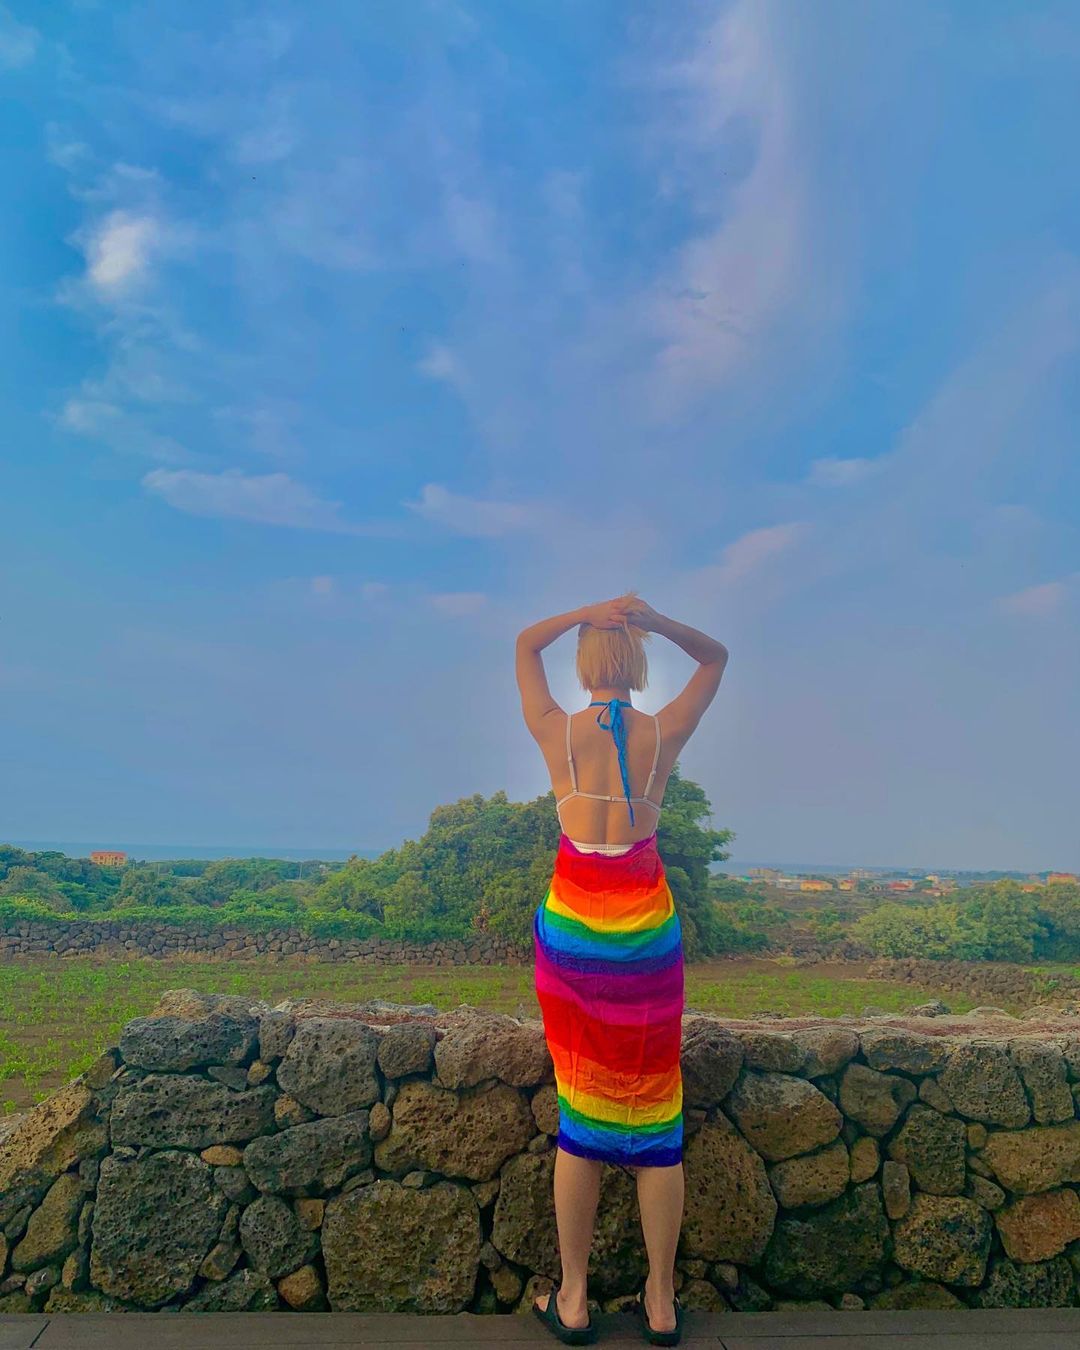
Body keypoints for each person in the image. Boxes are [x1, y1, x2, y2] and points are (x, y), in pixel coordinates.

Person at [516, 593, 729, 1347]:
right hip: (645, 938)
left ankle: (574, 1300)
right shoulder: (663, 731)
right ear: (637, 659)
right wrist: (656, 620)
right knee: (654, 1105)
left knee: (581, 1105)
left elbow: (524, 643)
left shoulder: (556, 730)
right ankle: (661, 1303)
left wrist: (587, 611)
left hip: (574, 936)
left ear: (583, 663)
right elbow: (716, 657)